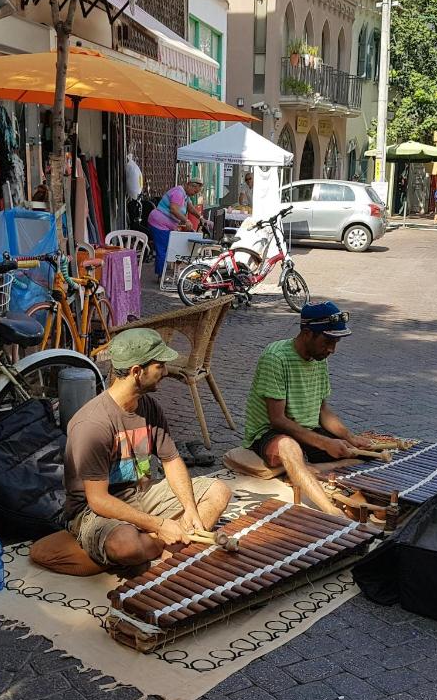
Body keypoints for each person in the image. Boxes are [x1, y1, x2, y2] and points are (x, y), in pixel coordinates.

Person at [63, 328, 232, 568]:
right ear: (136, 372)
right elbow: (98, 500)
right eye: (159, 366)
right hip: (94, 511)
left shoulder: (149, 406)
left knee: (219, 491)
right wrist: (159, 525)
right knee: (125, 546)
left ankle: (163, 549)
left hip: (141, 494)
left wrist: (190, 508)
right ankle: (168, 547)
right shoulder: (93, 424)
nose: (165, 371)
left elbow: (171, 460)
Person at [244, 302, 376, 516]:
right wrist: (325, 442)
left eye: (336, 342)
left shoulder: (319, 358)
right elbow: (277, 419)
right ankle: (331, 512)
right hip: (271, 433)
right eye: (328, 341)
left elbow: (323, 411)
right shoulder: (275, 357)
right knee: (289, 446)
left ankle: (301, 470)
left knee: (366, 458)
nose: (332, 350)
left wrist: (350, 438)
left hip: (308, 432)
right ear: (307, 334)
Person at [148, 179, 204, 278]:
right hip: (159, 223)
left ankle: (164, 271)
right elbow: (174, 209)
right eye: (195, 192)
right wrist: (186, 221)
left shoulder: (185, 195)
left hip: (166, 225)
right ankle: (161, 275)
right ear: (190, 186)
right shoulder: (178, 193)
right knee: (163, 249)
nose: (194, 194)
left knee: (167, 248)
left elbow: (190, 208)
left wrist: (200, 218)